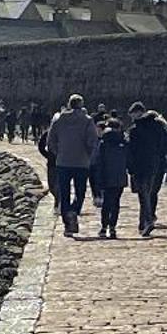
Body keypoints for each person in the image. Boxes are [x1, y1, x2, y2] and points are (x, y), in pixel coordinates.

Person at [45, 93, 100, 238]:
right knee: (80, 192)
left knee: (64, 193)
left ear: (69, 104)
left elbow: (50, 141)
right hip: (81, 162)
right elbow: (92, 141)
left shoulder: (59, 119)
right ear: (81, 105)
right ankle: (74, 212)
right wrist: (88, 155)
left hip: (63, 162)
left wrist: (59, 152)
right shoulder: (87, 120)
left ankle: (67, 224)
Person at [124, 101, 167, 237]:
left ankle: (147, 220)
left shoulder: (135, 130)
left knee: (144, 194)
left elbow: (130, 151)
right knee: (148, 193)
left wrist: (129, 167)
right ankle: (143, 223)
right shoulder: (159, 128)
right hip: (155, 165)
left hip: (140, 166)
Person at [92, 116, 129, 238]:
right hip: (119, 176)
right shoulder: (124, 142)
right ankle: (112, 227)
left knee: (106, 203)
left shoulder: (103, 143)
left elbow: (98, 161)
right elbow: (129, 160)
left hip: (105, 176)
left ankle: (103, 227)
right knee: (116, 203)